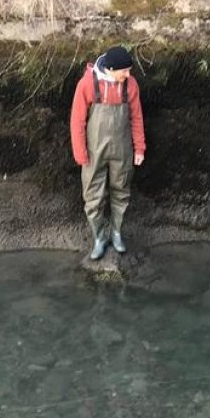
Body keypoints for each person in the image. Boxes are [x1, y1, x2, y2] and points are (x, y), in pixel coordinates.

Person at [70, 46, 146, 259]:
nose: (128, 75)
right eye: (125, 71)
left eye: (129, 71)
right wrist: (80, 153)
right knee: (93, 196)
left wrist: (139, 148)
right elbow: (77, 121)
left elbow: (137, 118)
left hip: (122, 149)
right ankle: (99, 237)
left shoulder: (130, 85)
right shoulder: (87, 84)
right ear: (111, 69)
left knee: (121, 191)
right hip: (94, 152)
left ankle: (116, 233)